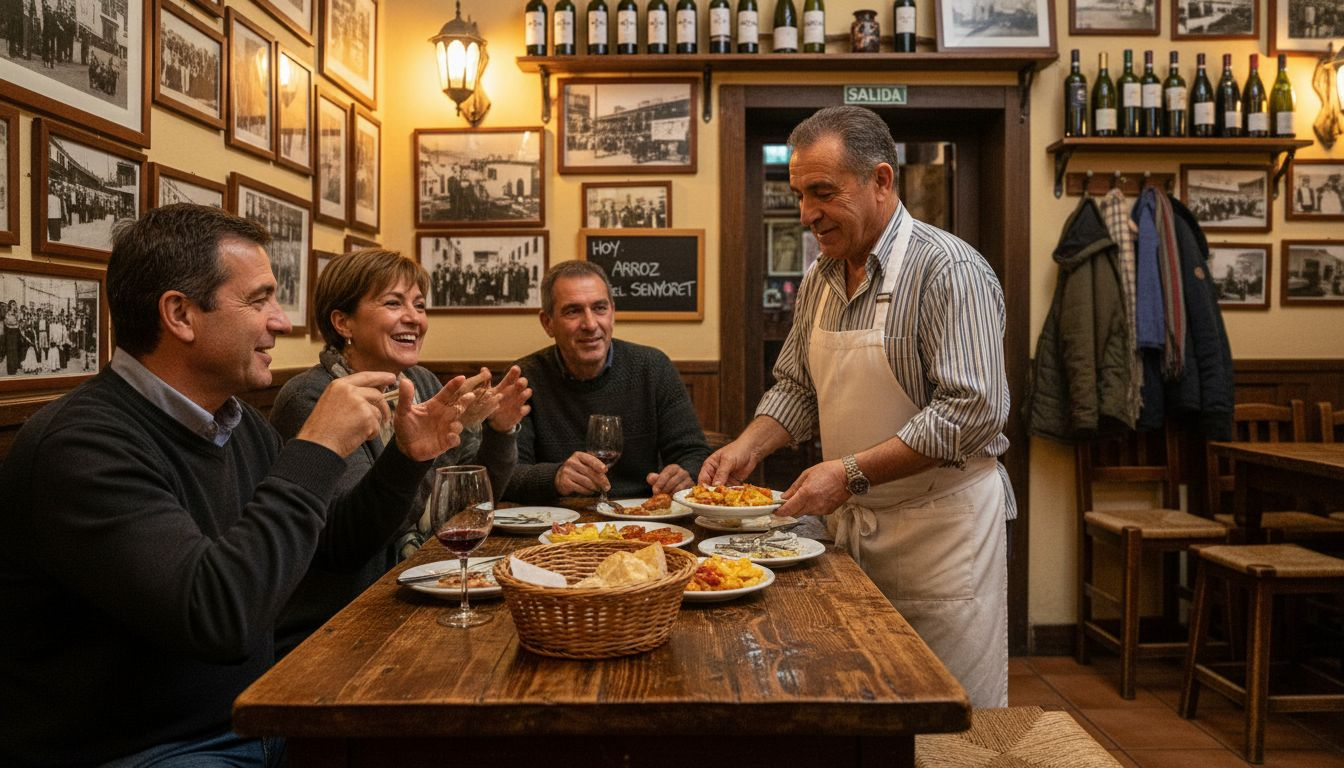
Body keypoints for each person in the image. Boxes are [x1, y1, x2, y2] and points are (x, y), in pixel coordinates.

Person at [0, 204, 487, 767]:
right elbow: (218, 618)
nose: (280, 321)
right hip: (151, 749)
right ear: (180, 314)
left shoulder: (238, 424)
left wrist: (405, 458)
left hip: (264, 713)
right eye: (258, 301)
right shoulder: (81, 446)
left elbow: (336, 549)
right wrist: (317, 449)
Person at [700, 107, 1014, 709]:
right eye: (798, 195)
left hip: (940, 536)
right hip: (853, 533)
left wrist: (847, 473)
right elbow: (795, 387)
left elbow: (972, 412)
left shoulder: (949, 269)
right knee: (860, 706)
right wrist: (747, 447)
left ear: (881, 181)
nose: (807, 213)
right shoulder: (820, 276)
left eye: (823, 192)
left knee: (941, 717)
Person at [268, 248, 531, 656]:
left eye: (420, 305)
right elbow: (354, 541)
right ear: (343, 322)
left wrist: (498, 430)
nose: (415, 318)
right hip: (344, 623)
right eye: (394, 303)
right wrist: (417, 452)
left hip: (423, 589)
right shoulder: (313, 397)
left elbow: (471, 505)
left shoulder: (419, 381)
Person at [504, 260, 711, 504]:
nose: (590, 324)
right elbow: (505, 476)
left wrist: (685, 474)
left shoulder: (653, 367)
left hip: (644, 518)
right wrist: (554, 477)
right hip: (558, 526)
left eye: (600, 308)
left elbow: (694, 453)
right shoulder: (524, 378)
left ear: (613, 313)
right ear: (547, 323)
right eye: (573, 311)